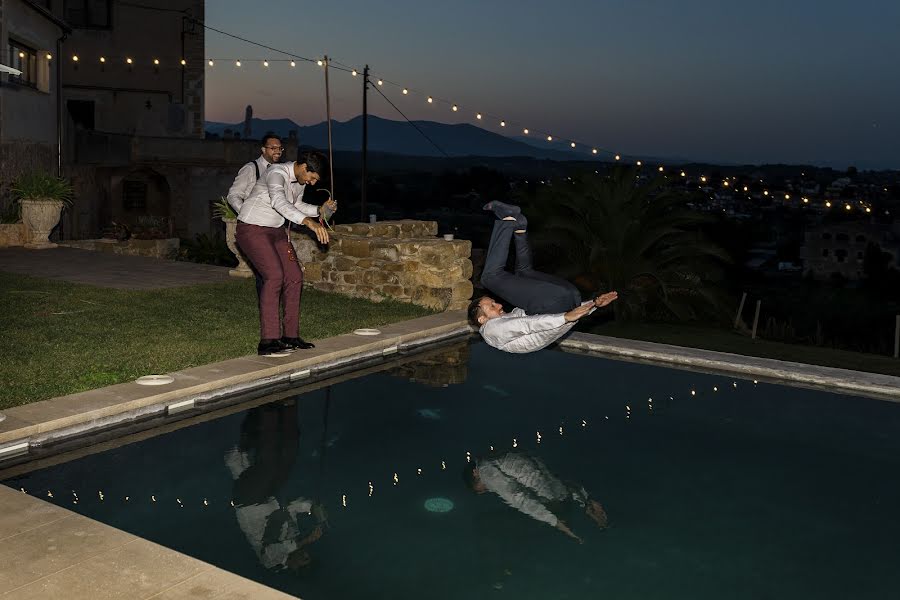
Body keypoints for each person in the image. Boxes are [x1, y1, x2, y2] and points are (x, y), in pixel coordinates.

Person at [468, 201, 617, 353]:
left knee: (524, 272)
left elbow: (560, 314)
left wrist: (594, 304)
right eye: (492, 306)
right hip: (553, 304)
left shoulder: (506, 323)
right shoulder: (490, 331)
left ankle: (520, 229)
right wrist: (565, 317)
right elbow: (527, 325)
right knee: (490, 277)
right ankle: (508, 219)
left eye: (494, 303)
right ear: (482, 320)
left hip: (570, 295)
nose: (499, 305)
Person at [235, 150, 335, 356]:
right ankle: (268, 340)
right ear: (304, 168)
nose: (313, 183)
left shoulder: (299, 182)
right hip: (252, 228)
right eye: (312, 177)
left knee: (294, 276)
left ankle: (290, 336)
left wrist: (320, 211)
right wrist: (309, 223)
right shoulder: (276, 172)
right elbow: (279, 202)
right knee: (274, 276)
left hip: (277, 231)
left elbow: (295, 205)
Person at [464, 451, 608, 543]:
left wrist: (556, 523)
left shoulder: (487, 473)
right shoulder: (500, 459)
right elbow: (553, 479)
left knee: (484, 524)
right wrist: (584, 499)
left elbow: (520, 500)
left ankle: (498, 577)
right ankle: (589, 508)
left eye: (479, 490)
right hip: (562, 496)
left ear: (475, 473)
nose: (483, 491)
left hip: (554, 505)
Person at [226, 132, 285, 300]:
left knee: (277, 268)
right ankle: (266, 306)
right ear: (263, 149)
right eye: (272, 148)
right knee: (266, 272)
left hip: (276, 227)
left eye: (279, 148)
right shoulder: (251, 168)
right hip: (256, 228)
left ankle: (272, 303)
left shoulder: (280, 171)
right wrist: (246, 214)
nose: (277, 151)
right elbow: (233, 195)